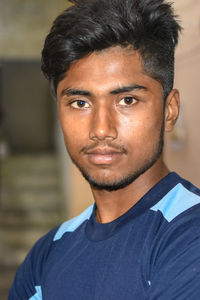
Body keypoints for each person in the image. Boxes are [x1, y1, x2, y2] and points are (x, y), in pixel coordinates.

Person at [9, 0, 200, 299]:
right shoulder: (47, 254)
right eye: (80, 103)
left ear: (169, 111)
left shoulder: (189, 233)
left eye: (127, 100)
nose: (101, 129)